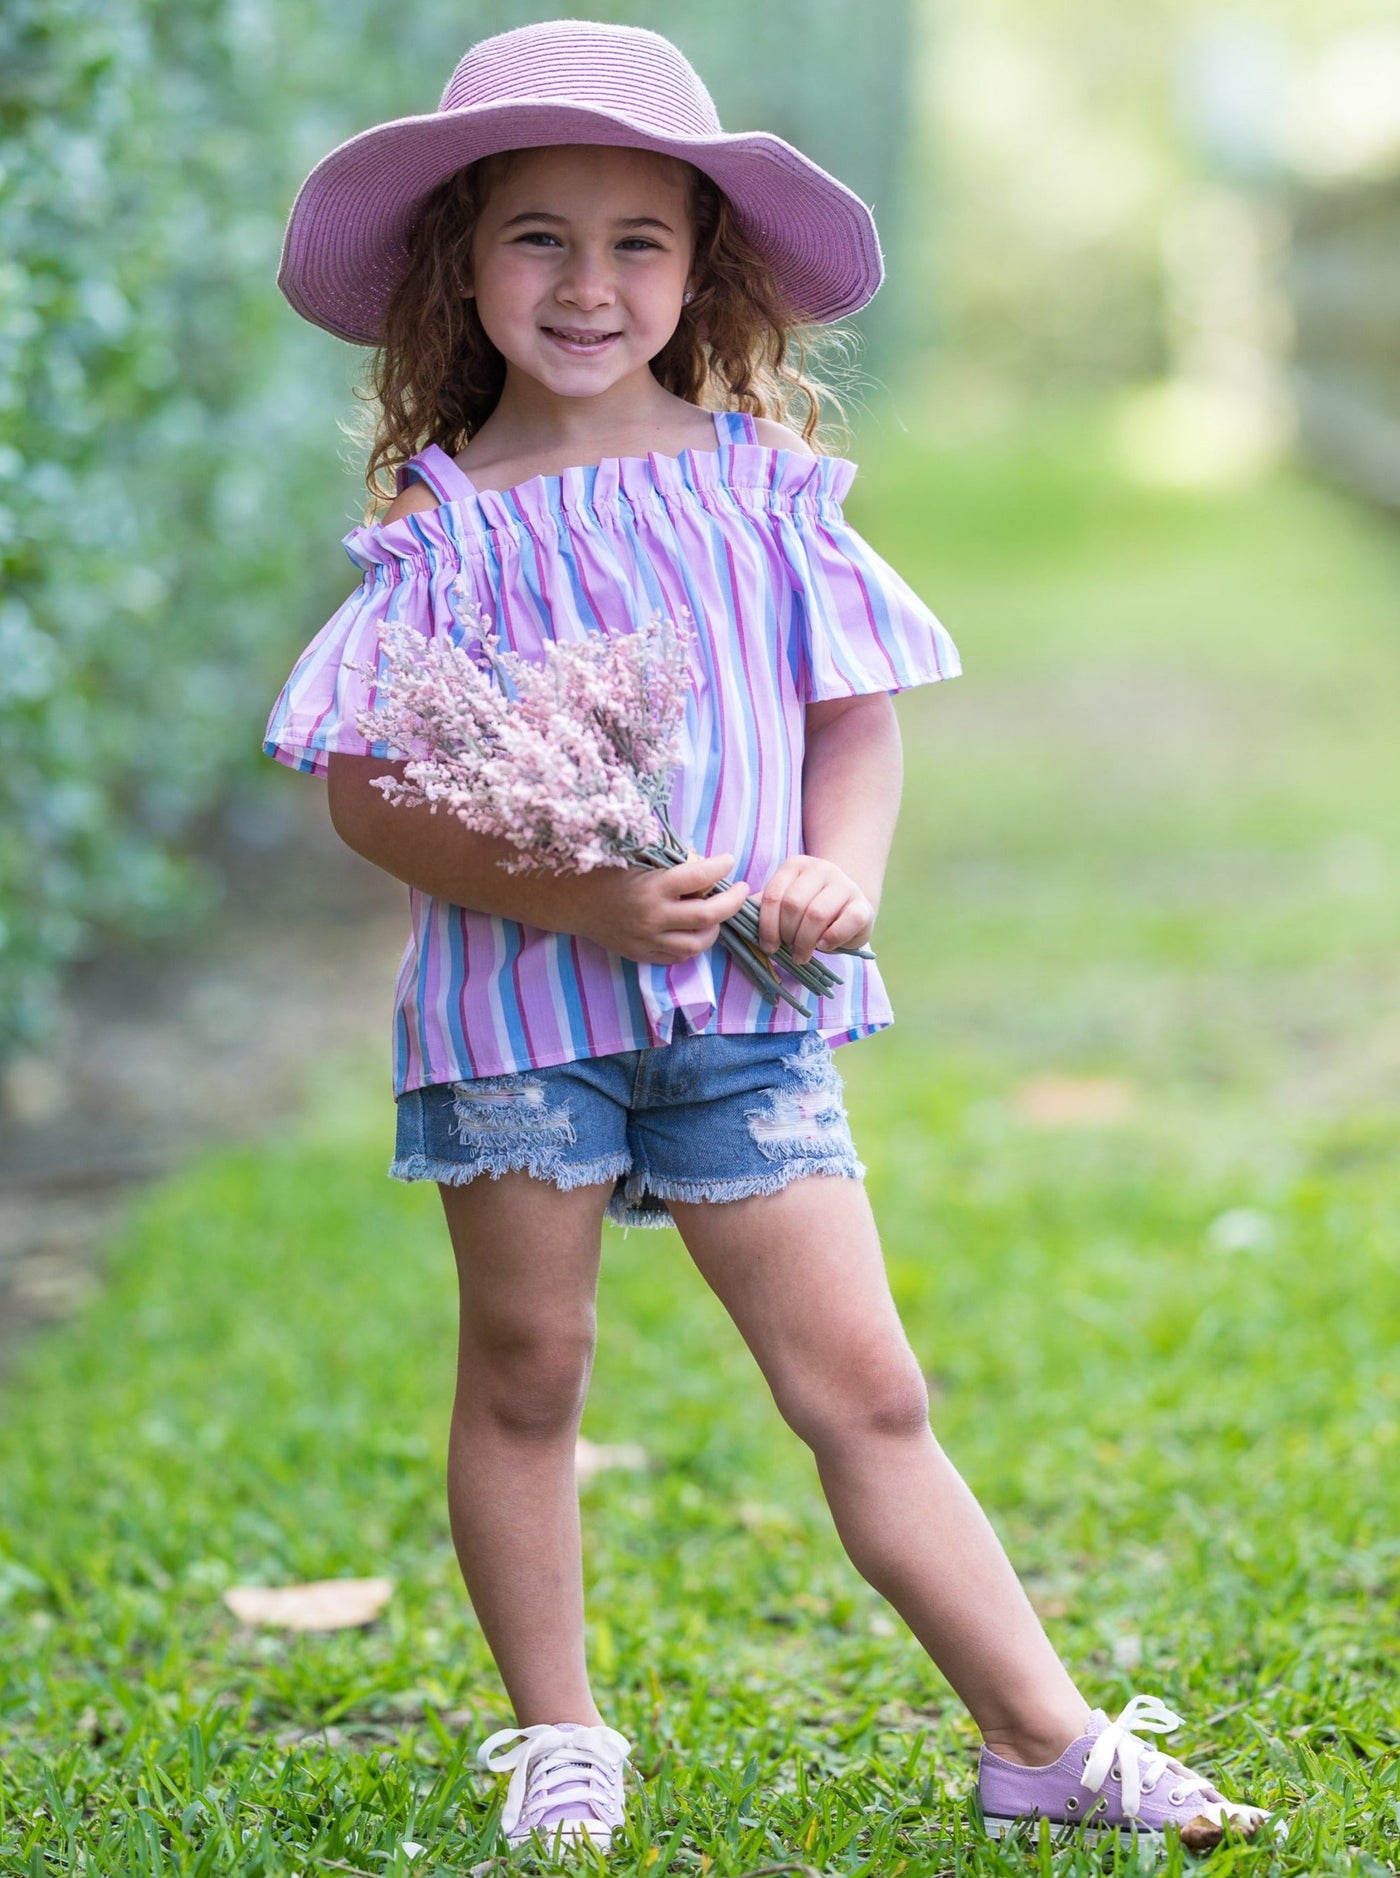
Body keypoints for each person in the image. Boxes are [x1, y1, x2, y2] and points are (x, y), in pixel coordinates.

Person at [264, 18, 1271, 1859]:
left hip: (745, 1005)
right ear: (461, 263)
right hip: (517, 1015)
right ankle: (560, 1733)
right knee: (526, 1371)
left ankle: (1041, 1739)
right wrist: (568, 897)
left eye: (636, 239)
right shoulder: (442, 526)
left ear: (700, 266)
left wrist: (836, 870)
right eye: (538, 237)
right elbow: (367, 790)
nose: (589, 283)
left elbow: (852, 715)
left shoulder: (758, 486)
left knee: (864, 1387)